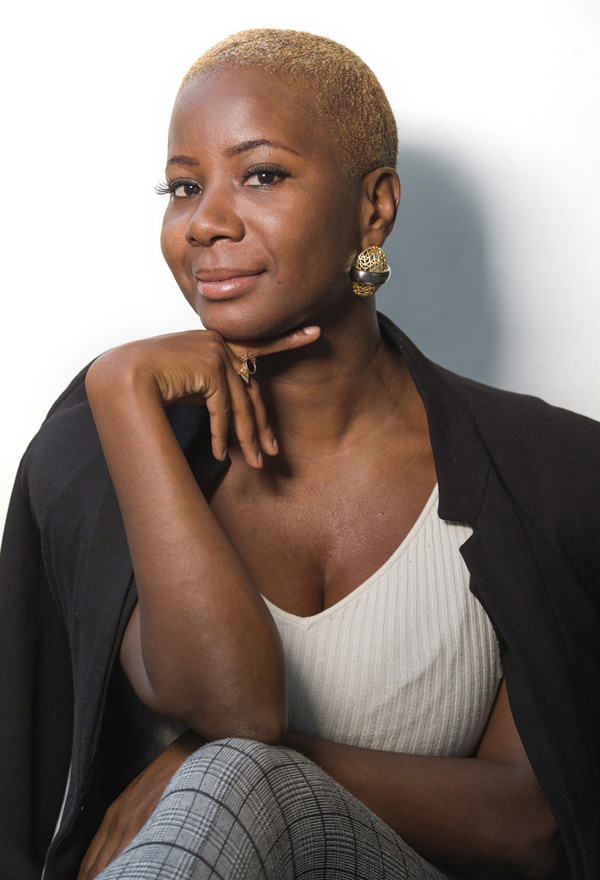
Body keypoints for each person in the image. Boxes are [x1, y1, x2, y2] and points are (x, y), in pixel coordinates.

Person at [0, 28, 598, 880]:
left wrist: (205, 768)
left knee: (232, 774)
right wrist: (119, 390)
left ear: (374, 206)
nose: (205, 221)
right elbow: (232, 699)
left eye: (263, 174)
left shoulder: (552, 478)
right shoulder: (97, 458)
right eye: (181, 186)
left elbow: (527, 827)